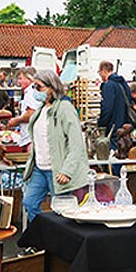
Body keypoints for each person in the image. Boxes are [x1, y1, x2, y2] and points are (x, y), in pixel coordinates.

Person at [22, 69, 89, 222]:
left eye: (39, 87)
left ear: (51, 88)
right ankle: (41, 238)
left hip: (57, 170)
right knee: (29, 202)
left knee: (61, 212)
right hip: (40, 168)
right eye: (34, 87)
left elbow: (77, 143)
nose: (35, 91)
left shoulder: (65, 109)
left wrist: (67, 171)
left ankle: (60, 244)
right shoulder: (41, 110)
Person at [97, 60, 132, 150]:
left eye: (99, 73)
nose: (100, 76)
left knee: (113, 155)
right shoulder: (123, 83)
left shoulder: (109, 85)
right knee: (123, 152)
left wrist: (101, 123)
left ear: (104, 71)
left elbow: (107, 108)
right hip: (124, 125)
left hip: (113, 126)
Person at [5, 67, 42, 151]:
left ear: (29, 79)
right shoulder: (32, 91)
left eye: (21, 78)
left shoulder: (31, 93)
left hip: (31, 137)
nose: (19, 82)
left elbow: (31, 114)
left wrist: (16, 120)